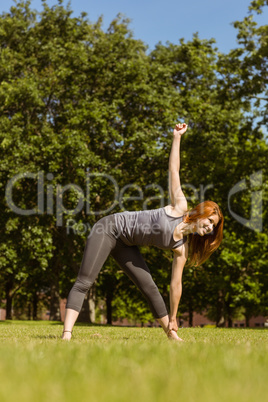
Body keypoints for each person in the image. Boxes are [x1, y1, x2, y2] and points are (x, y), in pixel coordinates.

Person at [62, 123, 224, 341]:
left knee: (150, 287)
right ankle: (67, 334)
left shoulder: (181, 248)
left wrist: (174, 316)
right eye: (210, 221)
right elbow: (174, 171)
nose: (210, 228)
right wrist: (176, 138)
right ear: (201, 213)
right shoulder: (180, 207)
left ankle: (171, 335)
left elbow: (176, 284)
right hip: (109, 228)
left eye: (213, 227)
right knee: (85, 281)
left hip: (126, 244)